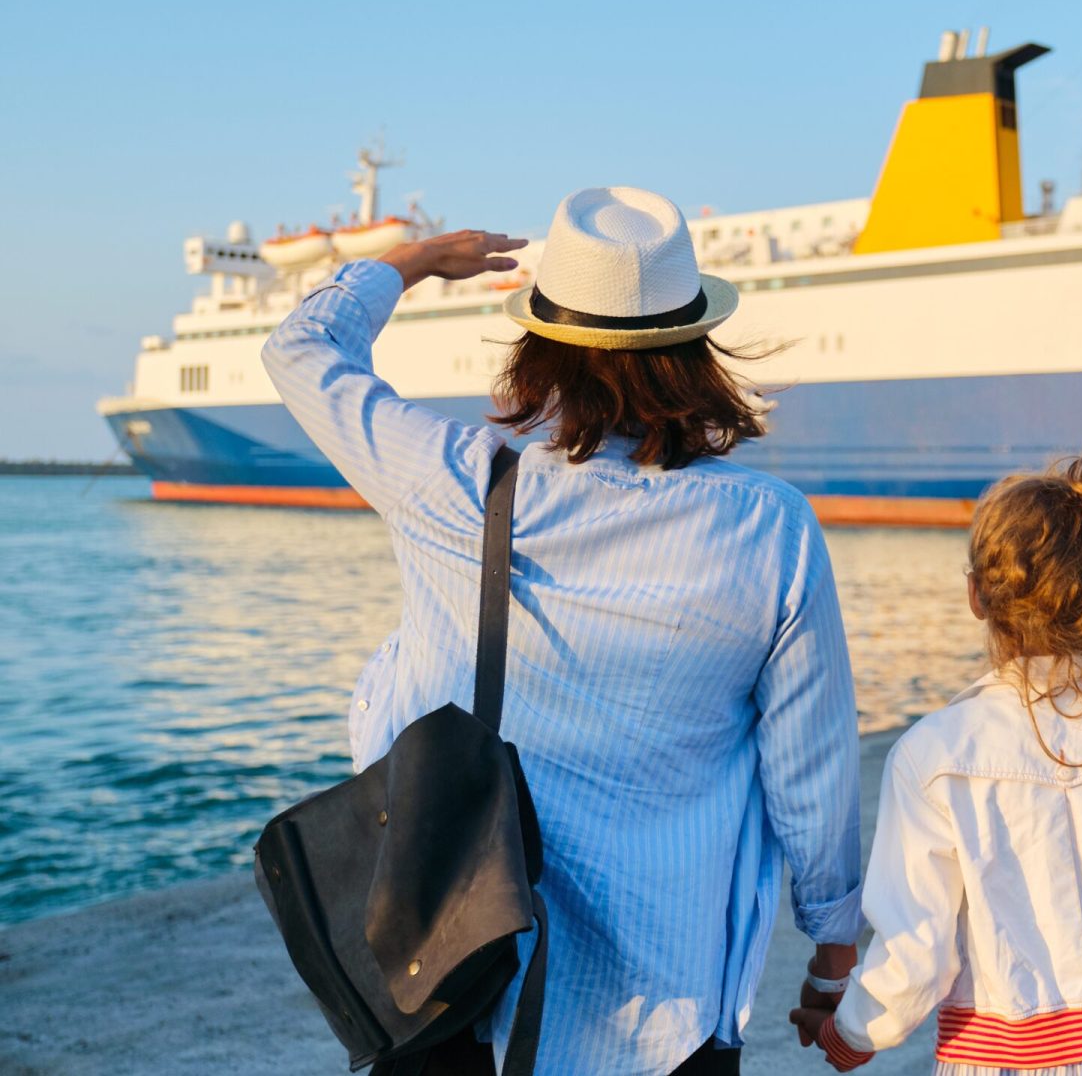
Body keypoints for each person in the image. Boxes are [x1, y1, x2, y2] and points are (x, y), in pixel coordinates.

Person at [260, 187, 864, 1074]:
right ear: (695, 352)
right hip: (665, 1014)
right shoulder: (771, 529)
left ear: (540, 350)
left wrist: (411, 262)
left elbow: (300, 348)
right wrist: (833, 943)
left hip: (457, 993)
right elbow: (809, 772)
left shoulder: (453, 481)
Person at [788, 440, 1082, 1075]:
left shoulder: (936, 756)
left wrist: (851, 1031)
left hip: (1006, 1060)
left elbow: (917, 955)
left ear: (978, 597)